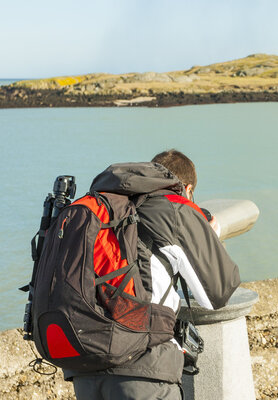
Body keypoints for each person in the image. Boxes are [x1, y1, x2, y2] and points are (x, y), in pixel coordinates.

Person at [66, 149, 241, 399]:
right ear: (188, 189)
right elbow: (218, 293)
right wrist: (209, 236)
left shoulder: (103, 207)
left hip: (86, 367)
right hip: (143, 368)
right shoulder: (174, 208)